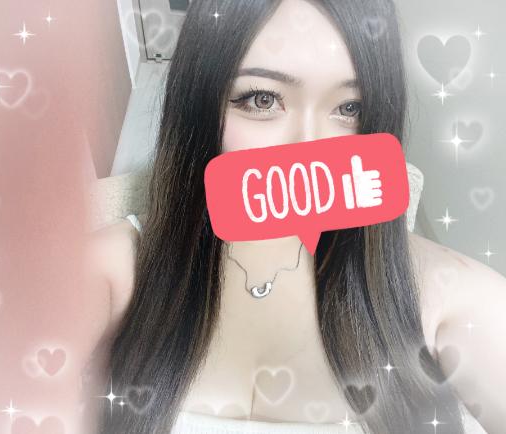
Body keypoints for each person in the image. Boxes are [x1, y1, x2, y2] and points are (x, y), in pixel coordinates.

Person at [86, 0, 506, 433]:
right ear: (198, 106)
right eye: (263, 99)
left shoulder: (445, 294)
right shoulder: (117, 268)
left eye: (349, 108)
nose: (310, 150)